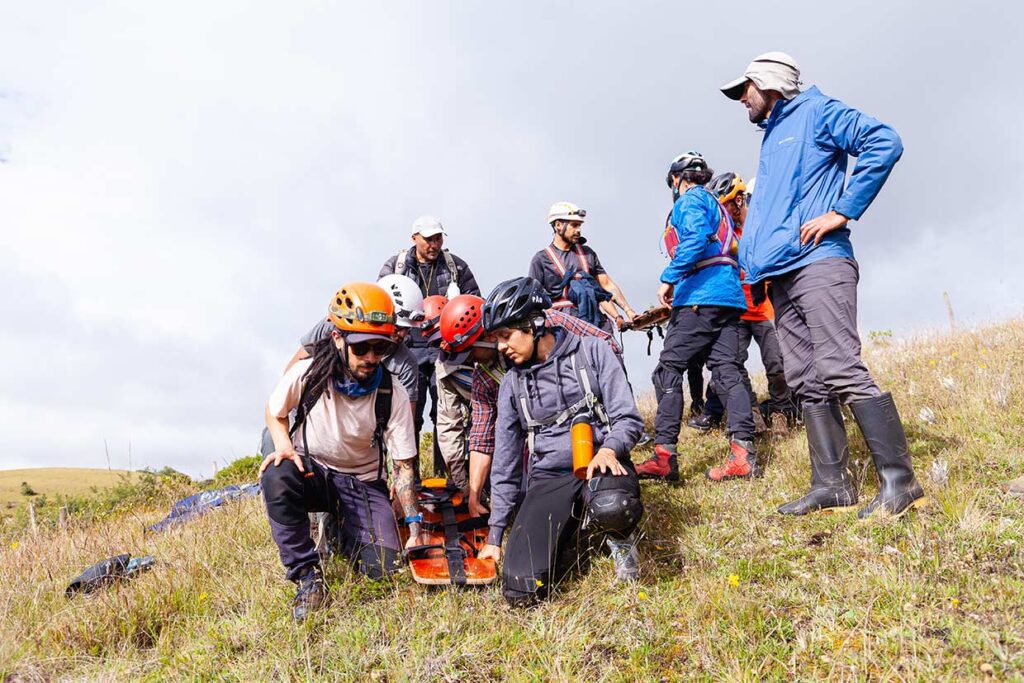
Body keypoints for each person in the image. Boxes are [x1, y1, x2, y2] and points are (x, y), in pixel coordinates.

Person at [720, 52, 925, 517]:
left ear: (769, 83)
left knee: (838, 366)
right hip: (781, 274)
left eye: (745, 89)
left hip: (819, 262)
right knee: (806, 380)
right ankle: (832, 485)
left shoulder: (817, 112)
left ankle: (901, 482)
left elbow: (884, 141)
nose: (741, 100)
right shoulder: (774, 134)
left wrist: (843, 209)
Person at [259, 283, 423, 620]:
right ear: (338, 338)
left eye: (380, 348)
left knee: (384, 570)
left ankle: (340, 529)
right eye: (362, 348)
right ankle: (307, 576)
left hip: (362, 481)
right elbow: (274, 411)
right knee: (277, 473)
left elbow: (404, 466)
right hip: (313, 470)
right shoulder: (309, 372)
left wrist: (415, 528)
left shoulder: (394, 392)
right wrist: (284, 446)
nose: (371, 358)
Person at [476, 277, 644, 605]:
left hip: (601, 462)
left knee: (612, 506)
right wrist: (495, 535)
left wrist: (610, 448)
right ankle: (571, 530)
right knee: (520, 590)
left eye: (506, 336)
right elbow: (506, 462)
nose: (500, 347)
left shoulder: (594, 351)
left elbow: (628, 417)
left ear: (535, 324)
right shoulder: (511, 384)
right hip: (548, 476)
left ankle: (621, 542)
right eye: (496, 339)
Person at [635, 152, 758, 483]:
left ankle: (664, 457)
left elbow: (695, 238)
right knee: (728, 371)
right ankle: (742, 455)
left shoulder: (689, 201)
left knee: (667, 371)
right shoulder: (719, 206)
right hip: (729, 297)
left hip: (699, 298)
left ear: (677, 179)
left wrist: (669, 276)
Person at [466, 303, 623, 519]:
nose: (467, 359)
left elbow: (607, 344)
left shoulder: (551, 323)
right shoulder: (485, 377)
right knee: (524, 513)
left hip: (591, 434)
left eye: (468, 350)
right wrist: (475, 496)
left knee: (612, 504)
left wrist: (612, 436)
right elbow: (482, 438)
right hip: (544, 452)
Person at [257, 274, 422, 461]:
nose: (401, 334)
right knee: (273, 438)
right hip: (316, 405)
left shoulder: (405, 364)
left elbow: (406, 420)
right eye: (399, 326)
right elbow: (293, 368)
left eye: (408, 329)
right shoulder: (336, 325)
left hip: (363, 427)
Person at [688, 172, 794, 439]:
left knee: (777, 363)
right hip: (735, 309)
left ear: (738, 200)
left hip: (765, 307)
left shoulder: (760, 226)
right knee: (732, 364)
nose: (724, 213)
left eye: (727, 207)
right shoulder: (721, 230)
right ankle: (753, 412)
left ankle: (782, 411)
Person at [379, 215, 481, 477]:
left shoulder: (456, 266)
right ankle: (406, 477)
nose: (434, 244)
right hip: (407, 349)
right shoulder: (396, 266)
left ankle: (445, 476)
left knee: (446, 415)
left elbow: (474, 301)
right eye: (428, 239)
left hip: (444, 351)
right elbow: (381, 299)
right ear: (414, 239)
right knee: (406, 414)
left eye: (438, 238)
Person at [528, 202, 637, 333]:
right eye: (574, 225)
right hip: (561, 329)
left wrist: (625, 312)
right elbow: (533, 300)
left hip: (595, 324)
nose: (578, 230)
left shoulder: (588, 254)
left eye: (579, 225)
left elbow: (605, 287)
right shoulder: (541, 259)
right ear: (558, 225)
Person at [433, 294, 498, 493]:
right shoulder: (446, 369)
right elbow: (449, 425)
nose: (469, 361)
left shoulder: (512, 346)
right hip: (489, 427)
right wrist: (464, 486)